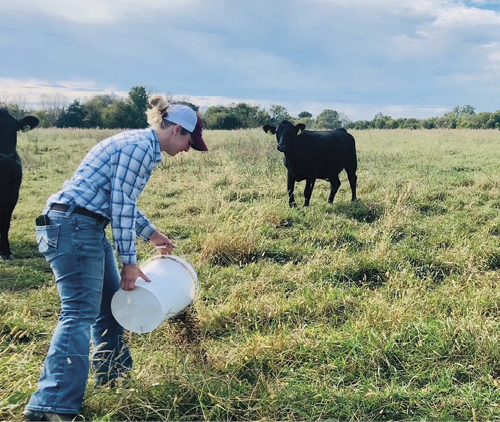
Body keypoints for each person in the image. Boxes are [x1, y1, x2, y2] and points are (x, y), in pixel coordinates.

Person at [23, 96, 208, 422]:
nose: (188, 150)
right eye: (190, 142)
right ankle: (50, 406)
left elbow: (117, 200)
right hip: (74, 226)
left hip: (81, 225)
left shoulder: (139, 143)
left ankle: (115, 382)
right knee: (79, 313)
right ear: (178, 130)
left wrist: (150, 233)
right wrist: (130, 263)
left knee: (109, 308)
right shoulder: (139, 148)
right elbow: (120, 209)